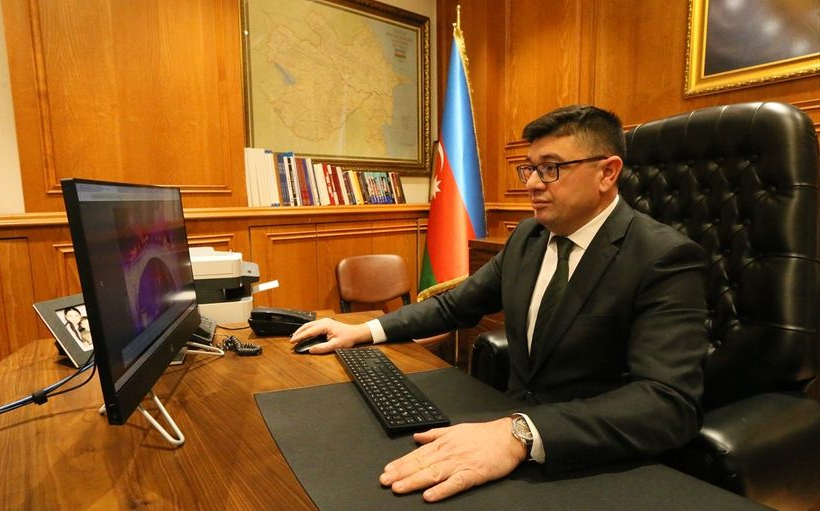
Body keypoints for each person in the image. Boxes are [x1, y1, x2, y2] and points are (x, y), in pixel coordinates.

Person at [290, 105, 708, 503]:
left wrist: (521, 433)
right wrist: (364, 330)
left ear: (607, 173)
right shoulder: (528, 237)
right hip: (503, 430)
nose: (532, 184)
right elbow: (454, 306)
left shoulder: (663, 257)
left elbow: (667, 402)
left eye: (551, 168)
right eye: (530, 168)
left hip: (588, 459)